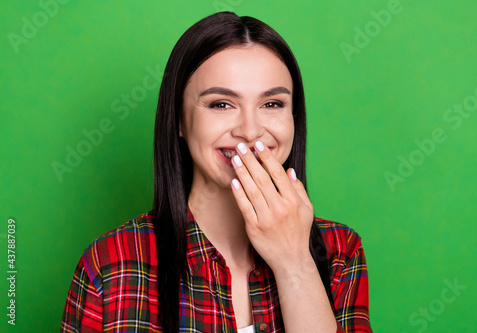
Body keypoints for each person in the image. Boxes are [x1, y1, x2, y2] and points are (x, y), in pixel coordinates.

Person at [60, 11, 371, 333]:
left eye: (272, 104)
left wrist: (295, 263)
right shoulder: (112, 263)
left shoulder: (340, 252)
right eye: (221, 104)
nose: (250, 132)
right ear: (179, 120)